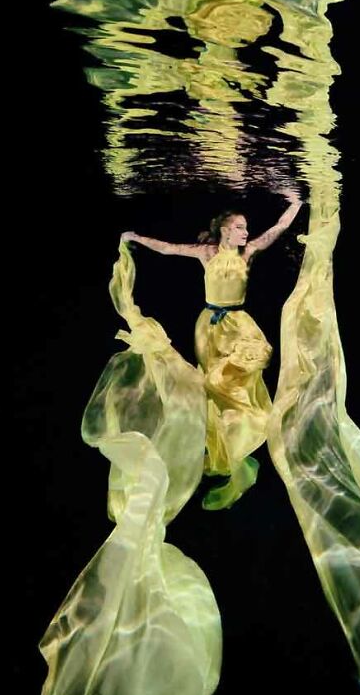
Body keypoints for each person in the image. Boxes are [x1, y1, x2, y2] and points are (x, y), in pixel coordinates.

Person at [122, 190, 303, 509]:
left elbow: (277, 229)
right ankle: (216, 445)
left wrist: (296, 203)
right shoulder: (207, 253)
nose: (246, 232)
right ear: (225, 230)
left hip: (239, 322)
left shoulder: (248, 253)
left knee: (246, 368)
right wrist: (135, 237)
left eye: (246, 228)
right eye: (240, 227)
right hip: (210, 326)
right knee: (211, 387)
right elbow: (168, 248)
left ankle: (241, 430)